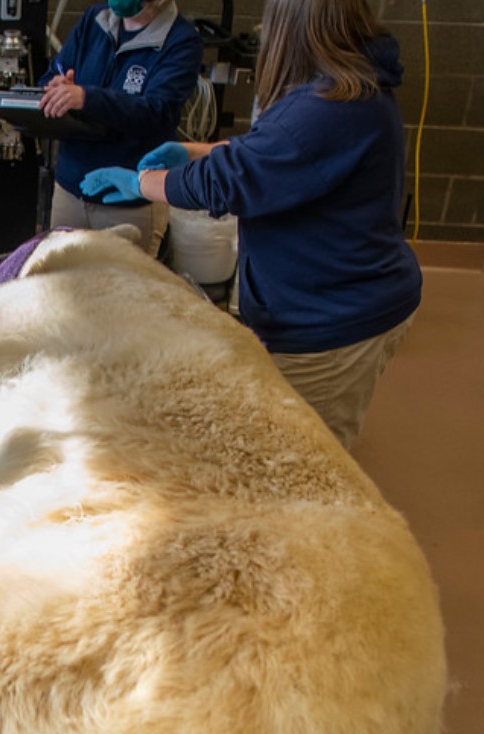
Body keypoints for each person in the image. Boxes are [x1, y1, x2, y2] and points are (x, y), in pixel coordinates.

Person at [80, 0, 421, 448]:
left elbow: (229, 182)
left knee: (302, 456)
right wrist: (195, 150)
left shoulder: (334, 106)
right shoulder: (342, 85)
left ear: (292, 24)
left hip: (335, 317)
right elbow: (270, 150)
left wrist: (143, 182)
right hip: (334, 294)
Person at [39, 0, 202, 256]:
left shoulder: (180, 40)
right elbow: (52, 74)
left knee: (125, 291)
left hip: (128, 201)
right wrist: (56, 85)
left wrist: (87, 98)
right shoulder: (95, 18)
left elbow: (157, 112)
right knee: (61, 288)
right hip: (70, 190)